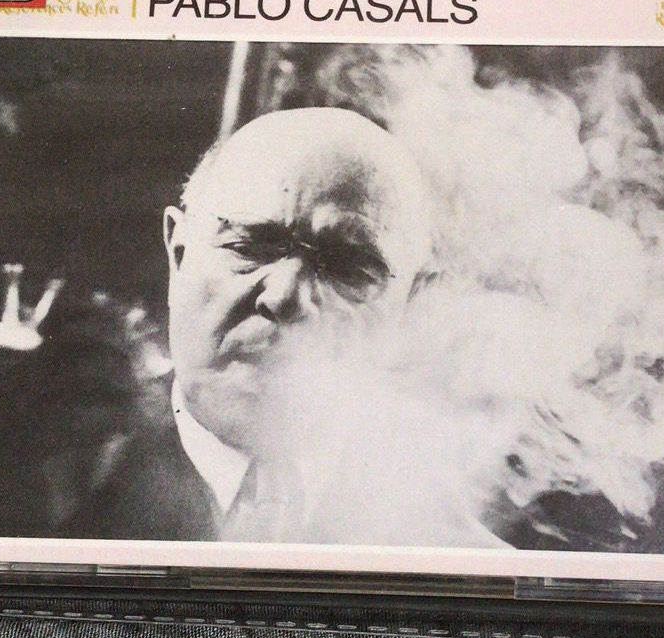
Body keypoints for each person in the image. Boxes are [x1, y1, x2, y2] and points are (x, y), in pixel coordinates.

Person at [62, 106, 434, 541]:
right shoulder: (28, 493)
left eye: (347, 267)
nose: (283, 297)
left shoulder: (446, 544)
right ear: (179, 254)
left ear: (411, 304)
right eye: (248, 246)